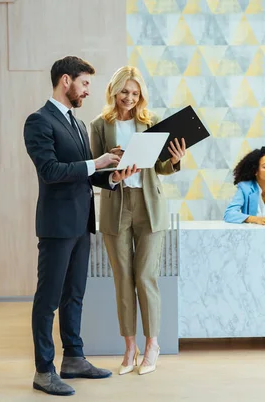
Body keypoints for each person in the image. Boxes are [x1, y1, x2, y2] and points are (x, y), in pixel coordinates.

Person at [24, 56, 139, 396]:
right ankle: (44, 370)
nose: (88, 91)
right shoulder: (38, 122)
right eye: (85, 83)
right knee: (49, 299)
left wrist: (113, 177)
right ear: (65, 81)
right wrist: (98, 160)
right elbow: (51, 171)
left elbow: (83, 172)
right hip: (57, 226)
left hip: (81, 222)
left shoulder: (77, 123)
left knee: (74, 295)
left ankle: (73, 357)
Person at [90, 66, 186, 376]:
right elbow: (96, 172)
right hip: (116, 205)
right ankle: (129, 347)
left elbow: (159, 168)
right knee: (123, 280)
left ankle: (152, 345)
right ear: (113, 91)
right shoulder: (99, 126)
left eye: (135, 93)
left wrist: (174, 160)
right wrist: (114, 175)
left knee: (145, 277)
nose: (130, 98)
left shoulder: (152, 123)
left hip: (149, 205)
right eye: (124, 92)